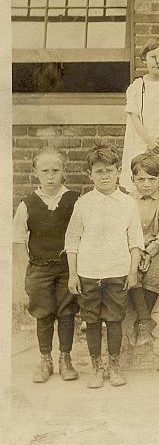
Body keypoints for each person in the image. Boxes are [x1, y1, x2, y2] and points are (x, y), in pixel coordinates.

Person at [65, 144, 144, 388]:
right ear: (90, 174)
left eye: (110, 170)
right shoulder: (83, 204)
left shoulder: (127, 203)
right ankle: (96, 366)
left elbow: (135, 241)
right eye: (99, 172)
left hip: (117, 272)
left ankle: (114, 364)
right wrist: (72, 274)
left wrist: (132, 272)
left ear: (118, 171)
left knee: (114, 319)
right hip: (88, 272)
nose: (105, 176)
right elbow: (72, 240)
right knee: (91, 320)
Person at [12, 147, 80, 383]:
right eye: (45, 171)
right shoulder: (27, 204)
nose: (50, 176)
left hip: (67, 268)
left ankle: (65, 358)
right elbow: (19, 239)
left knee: (67, 312)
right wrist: (24, 272)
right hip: (39, 268)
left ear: (63, 172)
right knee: (43, 314)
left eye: (55, 170)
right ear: (35, 173)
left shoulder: (74, 200)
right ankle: (45, 359)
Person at [120, 37, 159, 192]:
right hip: (141, 139)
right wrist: (149, 141)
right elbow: (134, 116)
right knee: (140, 180)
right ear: (144, 60)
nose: (158, 62)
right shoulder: (137, 87)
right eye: (153, 57)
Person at [128, 154, 159, 347]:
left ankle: (142, 322)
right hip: (134, 247)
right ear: (132, 180)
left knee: (155, 271)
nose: (146, 184)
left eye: (152, 179)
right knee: (133, 271)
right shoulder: (128, 199)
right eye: (141, 179)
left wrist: (150, 252)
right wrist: (138, 252)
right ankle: (145, 320)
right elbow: (127, 230)